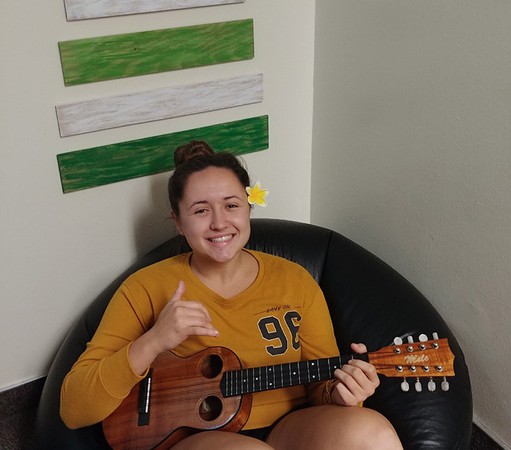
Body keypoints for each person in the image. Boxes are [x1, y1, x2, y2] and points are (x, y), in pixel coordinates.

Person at [60, 141, 403, 450]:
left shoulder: (295, 281)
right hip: (196, 437)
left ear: (249, 207)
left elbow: (320, 390)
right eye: (200, 210)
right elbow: (73, 409)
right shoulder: (145, 287)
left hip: (289, 428)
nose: (220, 223)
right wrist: (154, 340)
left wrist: (343, 394)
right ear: (178, 222)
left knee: (374, 433)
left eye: (231, 205)